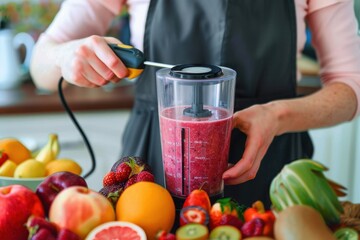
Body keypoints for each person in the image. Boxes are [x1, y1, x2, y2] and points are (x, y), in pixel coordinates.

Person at [30, 0, 360, 208]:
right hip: (151, 174)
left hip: (273, 174)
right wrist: (64, 55)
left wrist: (278, 114)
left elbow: (351, 87)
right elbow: (41, 65)